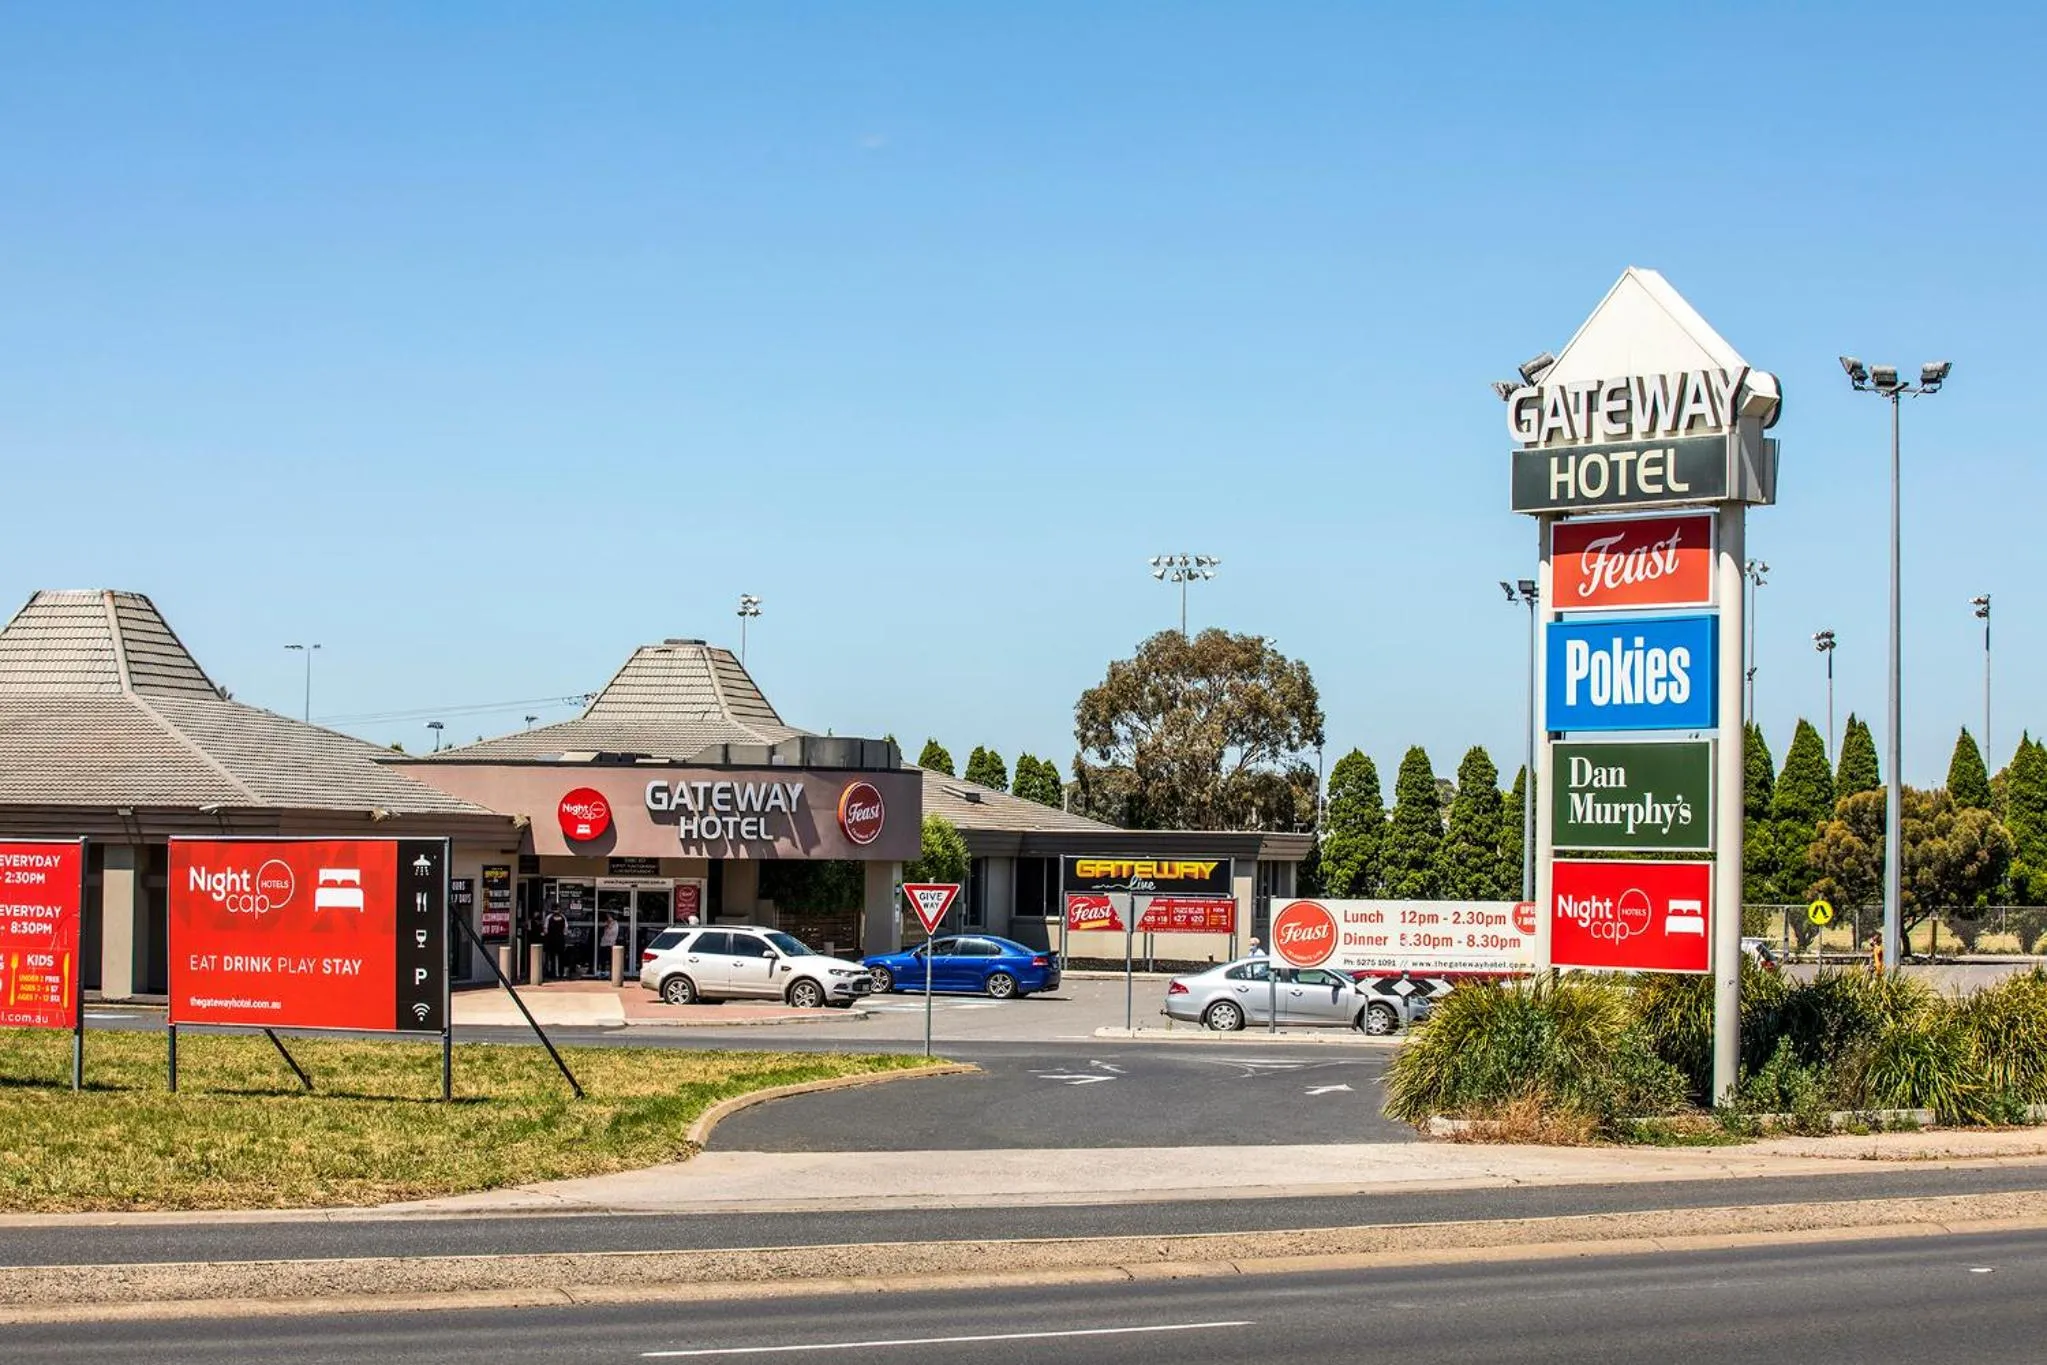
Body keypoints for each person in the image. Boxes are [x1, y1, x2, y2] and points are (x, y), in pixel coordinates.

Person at [542, 904, 568, 981]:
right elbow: (565, 930)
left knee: (556, 958)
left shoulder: (549, 918)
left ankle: (556, 973)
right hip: (557, 940)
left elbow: (545, 929)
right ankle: (558, 973)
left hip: (555, 940)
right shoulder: (562, 917)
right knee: (556, 958)